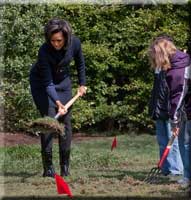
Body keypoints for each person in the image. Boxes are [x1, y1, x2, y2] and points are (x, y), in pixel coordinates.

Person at [29, 18, 86, 178]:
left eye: (59, 41)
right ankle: (48, 169)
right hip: (42, 84)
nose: (56, 44)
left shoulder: (75, 43)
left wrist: (82, 84)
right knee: (49, 121)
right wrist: (59, 103)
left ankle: (65, 167)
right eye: (52, 40)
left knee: (65, 124)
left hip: (63, 82)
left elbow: (80, 64)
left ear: (66, 38)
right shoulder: (44, 51)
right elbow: (47, 83)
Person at [148, 35, 187, 176]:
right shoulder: (158, 67)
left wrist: (174, 113)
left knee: (174, 142)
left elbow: (176, 92)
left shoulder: (175, 66)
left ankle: (176, 170)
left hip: (172, 109)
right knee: (162, 141)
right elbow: (157, 92)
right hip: (159, 110)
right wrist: (154, 109)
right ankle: (165, 169)